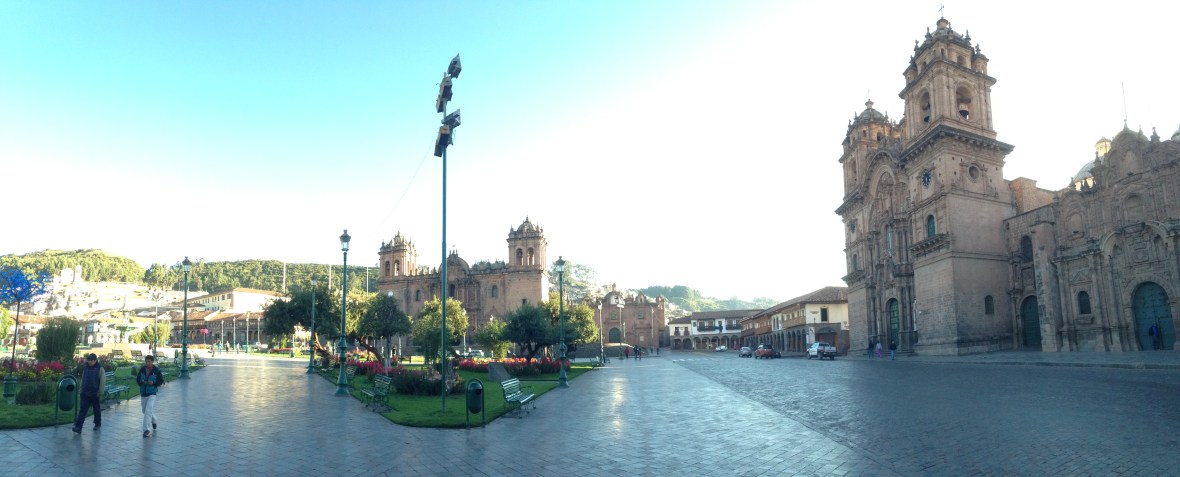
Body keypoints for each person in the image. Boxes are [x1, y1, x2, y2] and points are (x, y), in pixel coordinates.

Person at [72, 353, 106, 434]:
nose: (89, 361)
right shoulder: (86, 367)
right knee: (82, 410)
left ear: (95, 360)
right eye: (88, 360)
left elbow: (103, 380)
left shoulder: (100, 368)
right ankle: (78, 427)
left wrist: (100, 392)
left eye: (91, 360)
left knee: (96, 409)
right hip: (85, 392)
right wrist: (81, 389)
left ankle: (97, 423)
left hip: (95, 393)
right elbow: (83, 379)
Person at [136, 354, 166, 437]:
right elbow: (138, 379)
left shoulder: (156, 370)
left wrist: (153, 383)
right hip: (143, 393)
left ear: (152, 362)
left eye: (149, 361)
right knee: (144, 411)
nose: (147, 363)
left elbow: (160, 381)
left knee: (148, 411)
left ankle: (147, 430)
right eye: (146, 361)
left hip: (152, 393)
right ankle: (154, 420)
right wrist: (142, 382)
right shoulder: (142, 369)